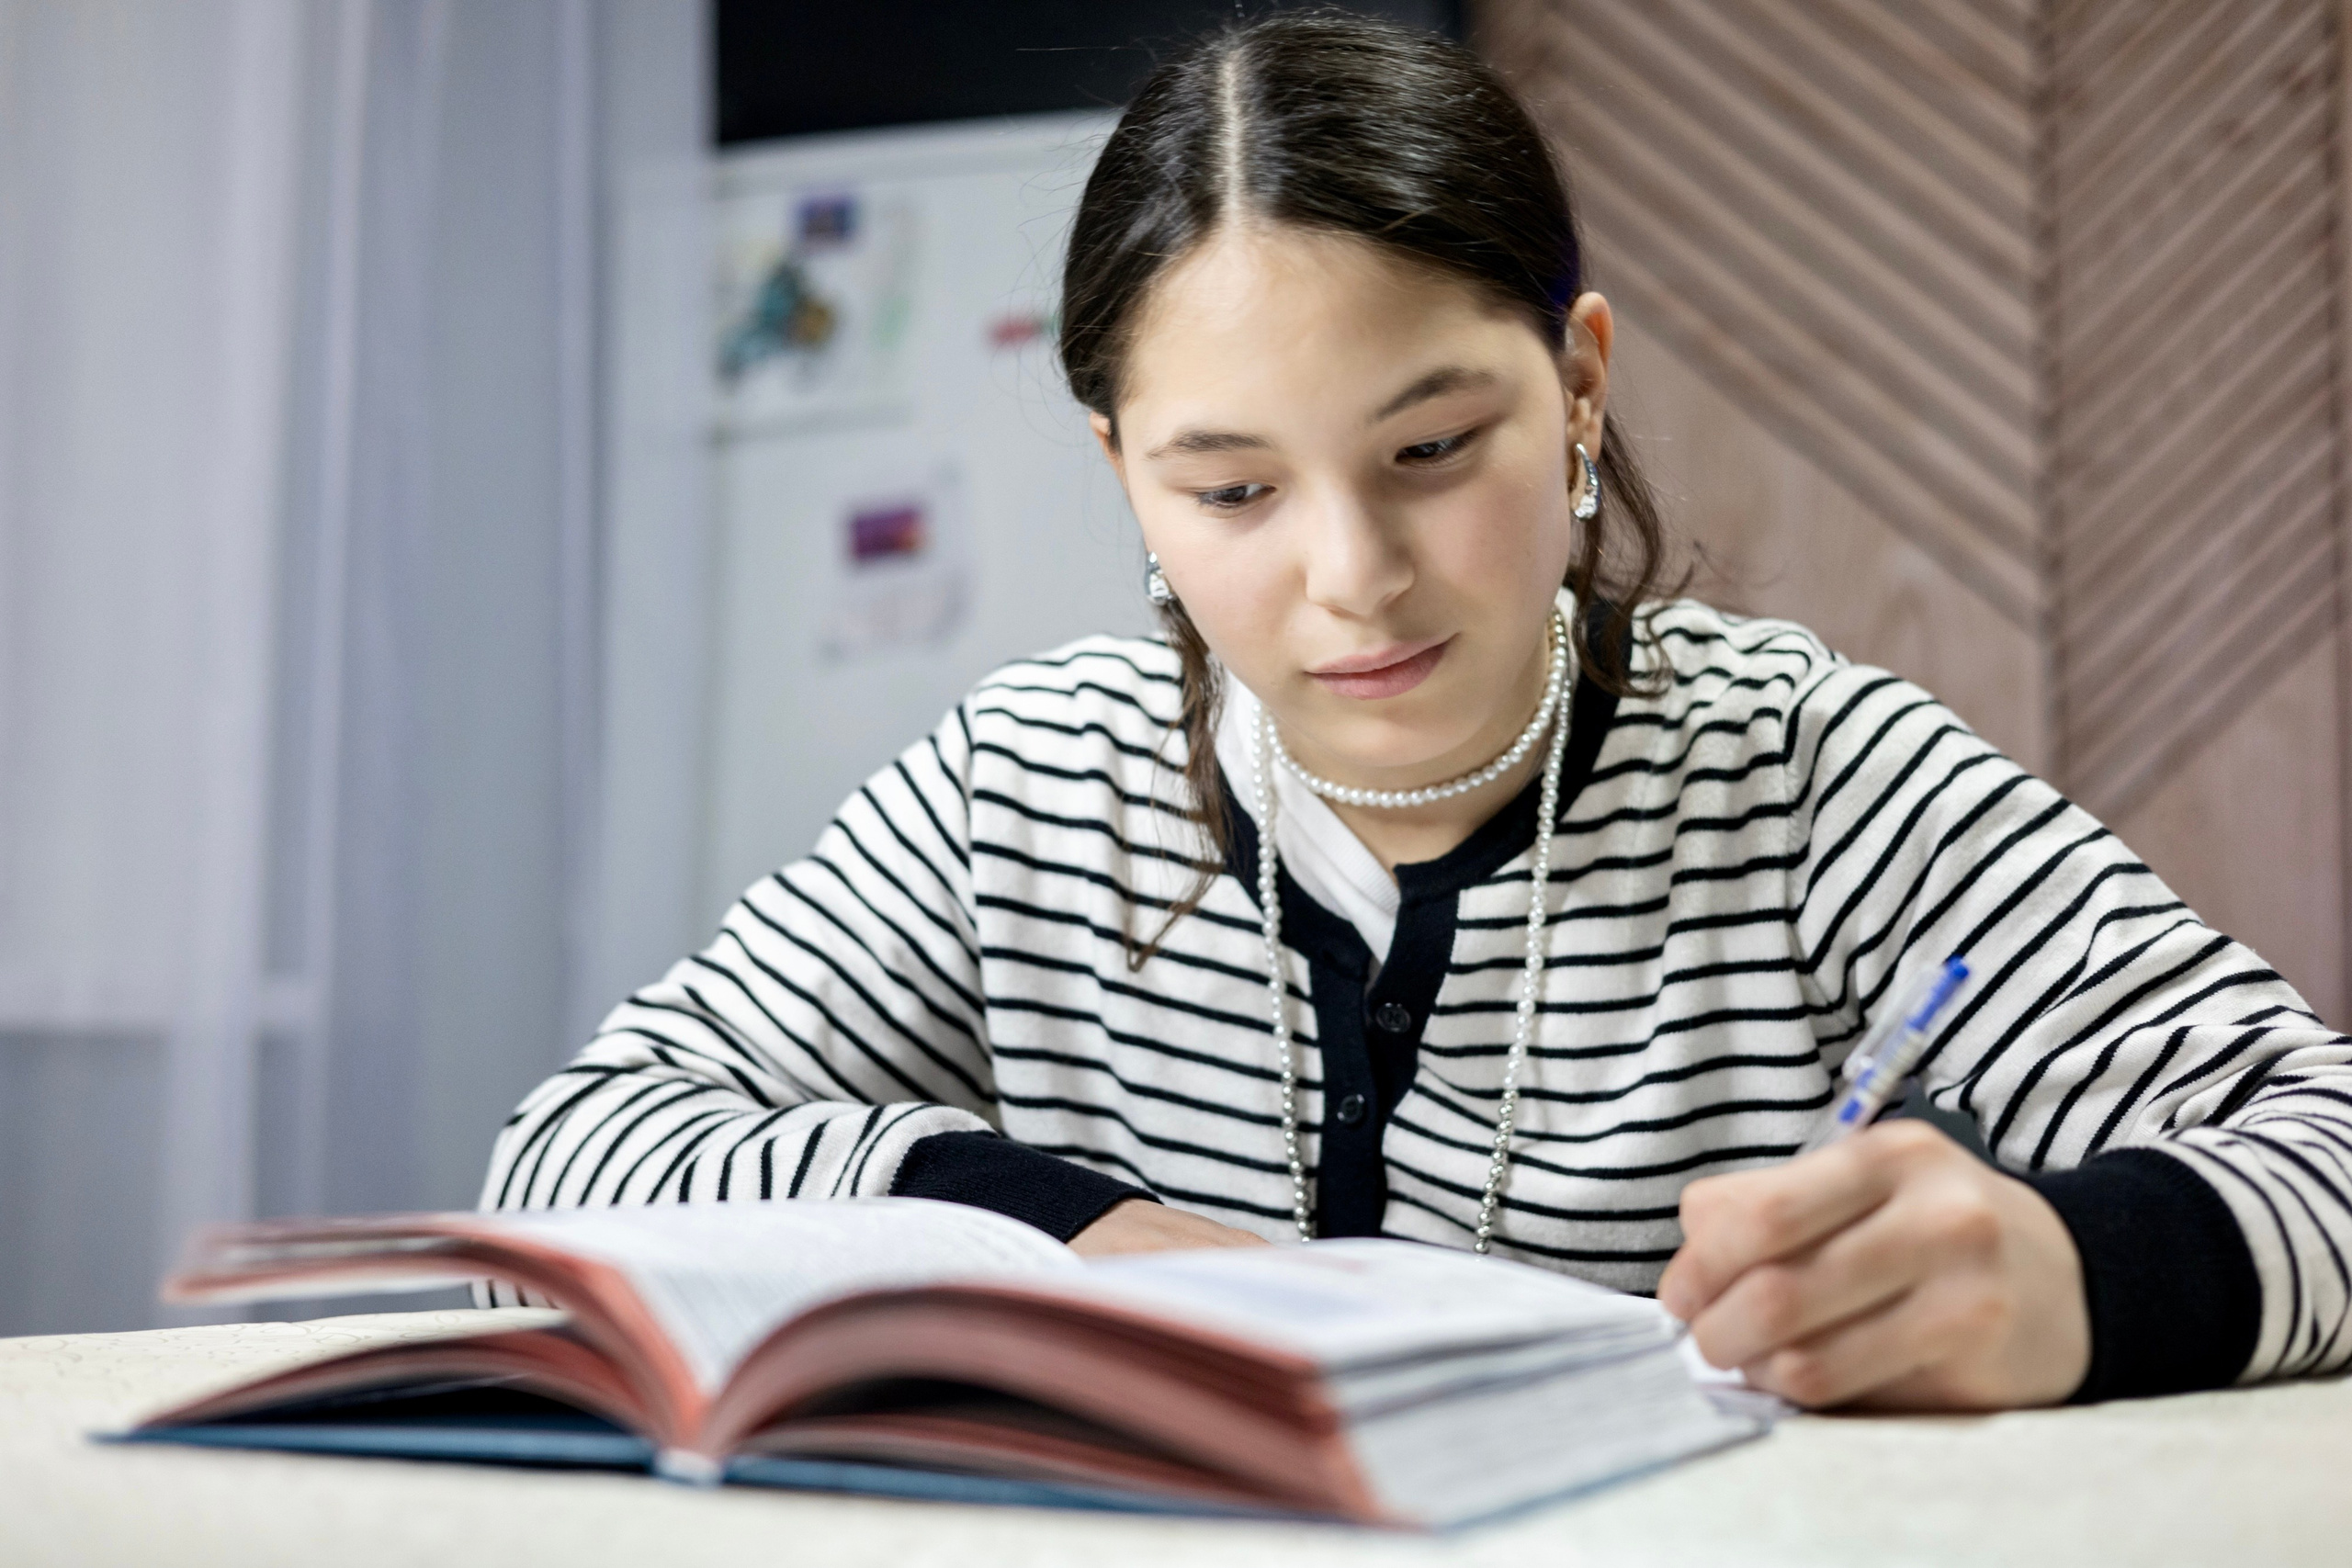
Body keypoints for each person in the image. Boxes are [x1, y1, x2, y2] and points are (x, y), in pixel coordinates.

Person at [483, 13, 2352, 1411]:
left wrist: (2078, 1275)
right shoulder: (1022, 784)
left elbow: (2321, 1138)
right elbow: (564, 1156)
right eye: (1227, 491)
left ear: (1577, 384)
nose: (1352, 575)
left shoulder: (1806, 775)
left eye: (1433, 449)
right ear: (1119, 470)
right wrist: (1046, 1218)